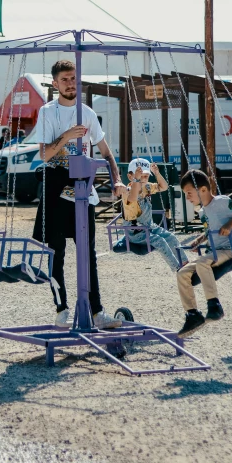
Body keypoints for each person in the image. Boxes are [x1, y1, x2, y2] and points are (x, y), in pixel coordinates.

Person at [32, 59, 126, 330]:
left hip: (81, 185)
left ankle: (97, 311)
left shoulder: (87, 112)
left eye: (73, 78)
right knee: (55, 249)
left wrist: (117, 180)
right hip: (55, 182)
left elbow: (107, 153)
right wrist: (67, 136)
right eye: (65, 79)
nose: (70, 83)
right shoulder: (48, 112)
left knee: (88, 251)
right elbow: (45, 154)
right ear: (55, 84)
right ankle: (61, 308)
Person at [176, 169, 232, 337]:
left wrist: (229, 226)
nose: (187, 197)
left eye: (189, 193)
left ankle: (214, 305)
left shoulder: (222, 202)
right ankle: (192, 314)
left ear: (203, 189)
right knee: (182, 273)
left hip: (230, 250)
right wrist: (199, 240)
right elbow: (210, 231)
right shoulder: (203, 211)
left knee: (202, 263)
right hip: (214, 251)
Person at [118, 158, 187, 272]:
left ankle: (185, 263)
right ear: (130, 177)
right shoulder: (127, 191)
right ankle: (178, 269)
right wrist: (136, 180)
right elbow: (133, 197)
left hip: (150, 226)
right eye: (140, 177)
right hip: (135, 231)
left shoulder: (147, 187)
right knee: (160, 241)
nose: (144, 179)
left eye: (146, 176)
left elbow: (164, 187)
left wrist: (157, 173)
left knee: (171, 237)